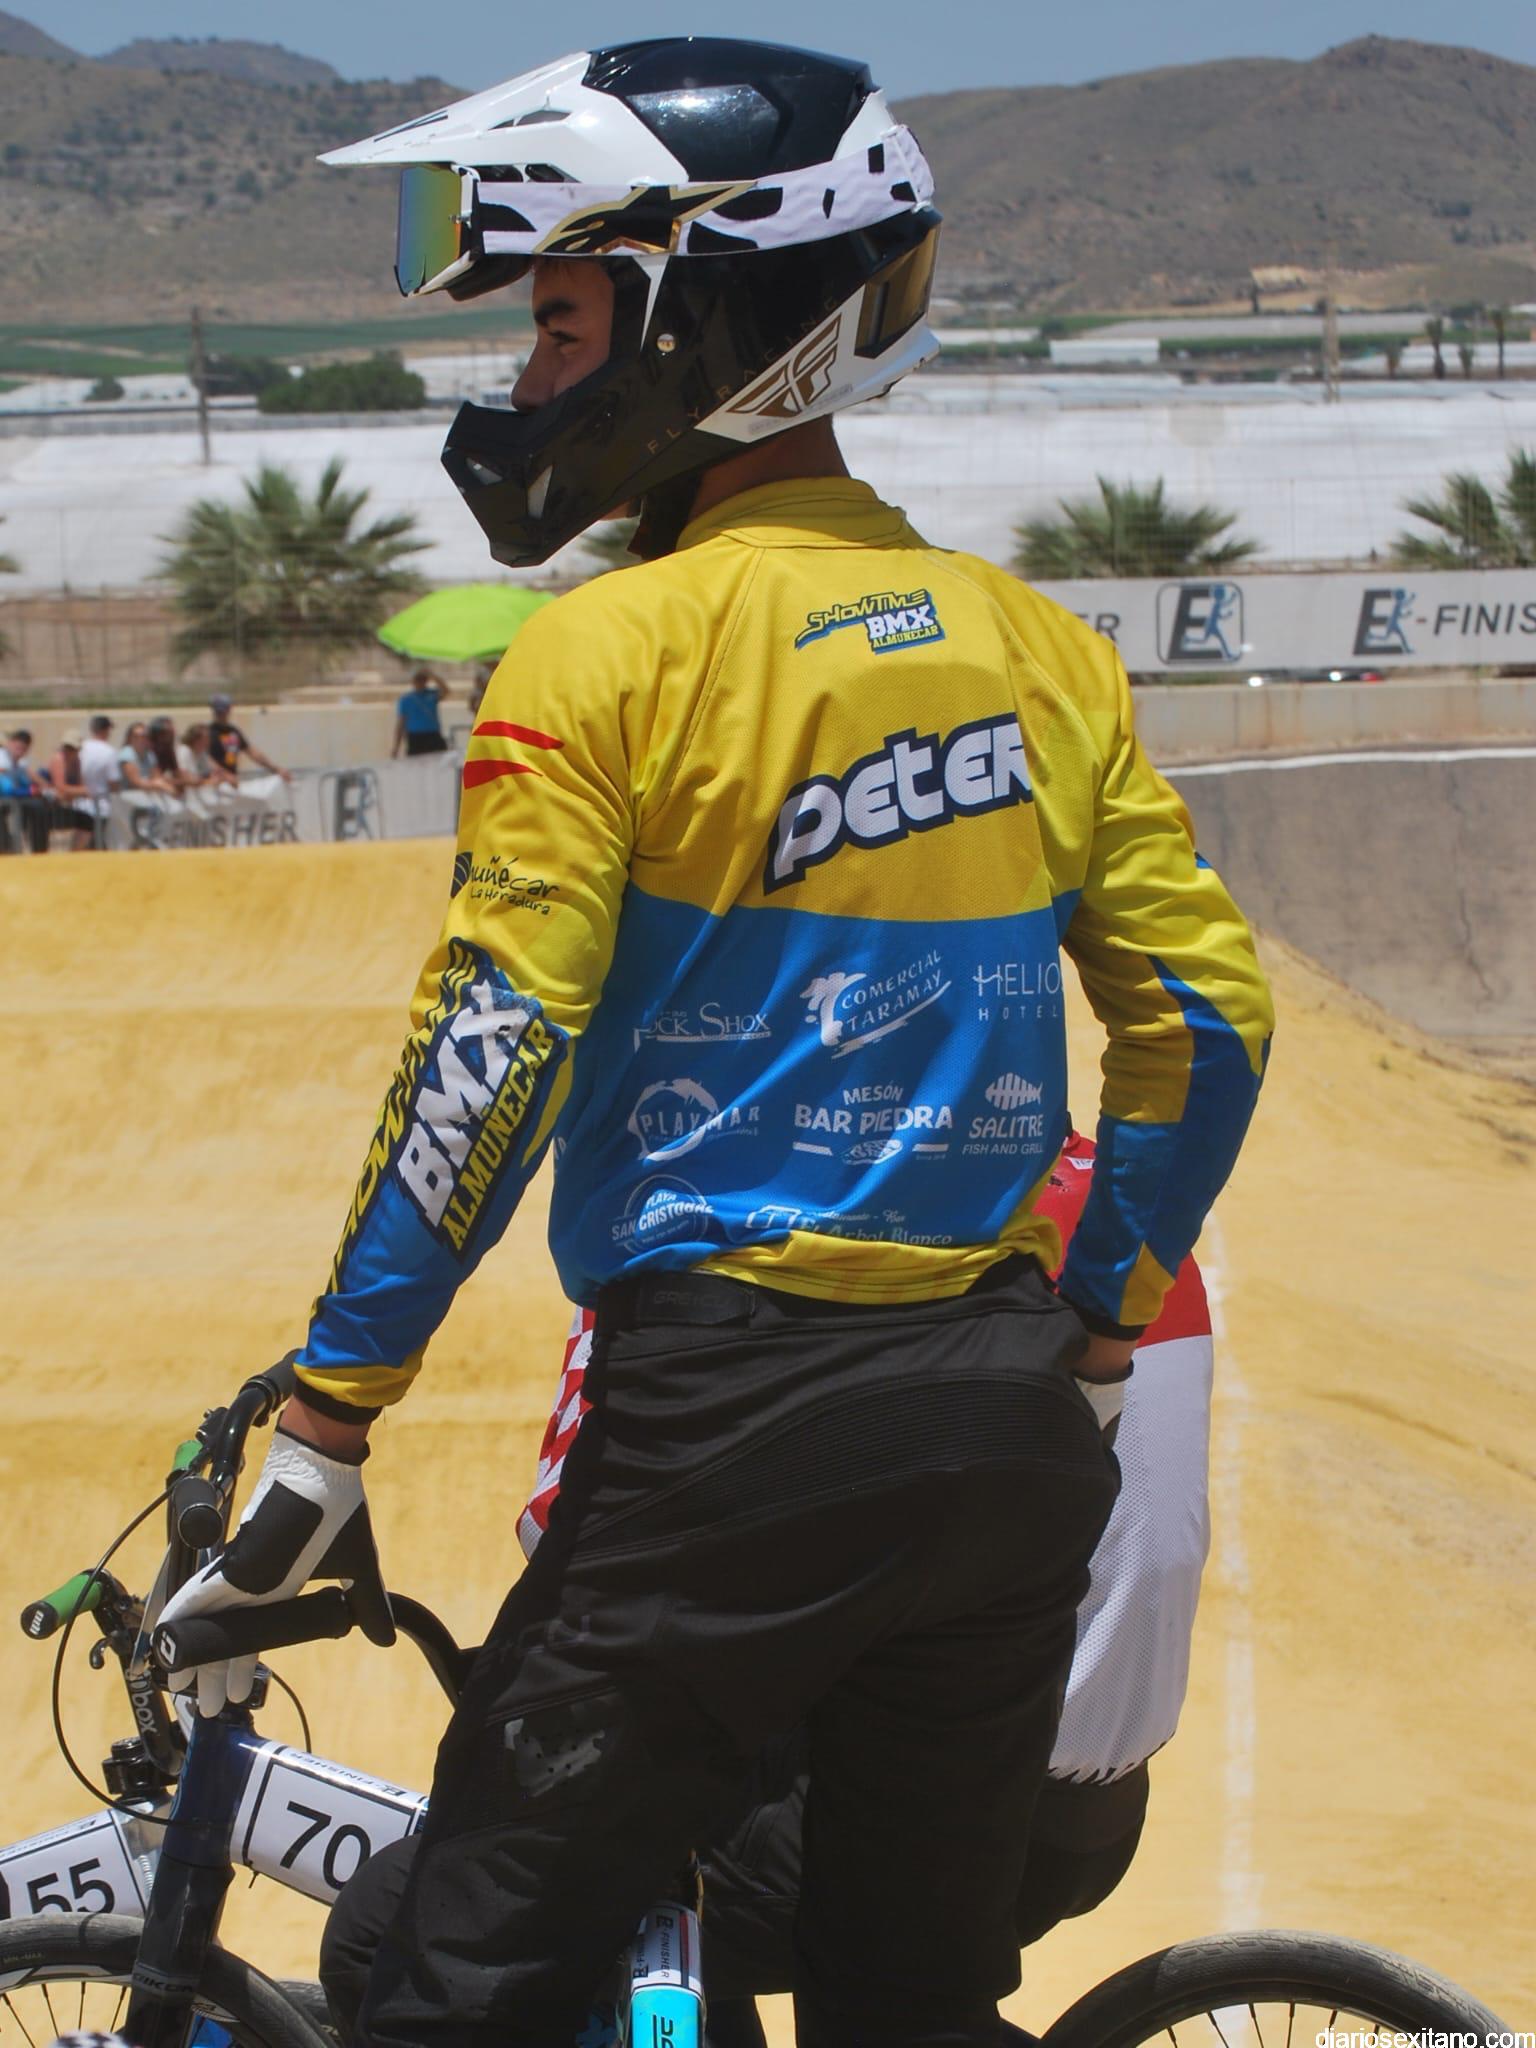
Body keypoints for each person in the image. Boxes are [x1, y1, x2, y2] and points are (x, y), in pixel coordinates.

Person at [159, 39, 1272, 2048]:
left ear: (704, 321)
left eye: (560, 323)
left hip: (724, 1428)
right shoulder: (1040, 649)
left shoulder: (605, 654)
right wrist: (1100, 1333)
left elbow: (491, 1053)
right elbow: (1208, 1015)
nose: (525, 380)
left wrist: (334, 1409)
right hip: (1002, 1434)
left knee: (437, 1977)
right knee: (903, 2011)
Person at [320, 1129, 1216, 2046]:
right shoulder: (1115, 1203)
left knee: (389, 1925)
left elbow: (579, 1542)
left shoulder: (778, 1216)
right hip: (1094, 1798)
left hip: (943, 1786)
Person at [207, 691, 290, 782]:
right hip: (215, 782)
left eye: (223, 710)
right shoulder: (208, 733)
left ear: (229, 710)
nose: (221, 715)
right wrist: (225, 775)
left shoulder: (234, 732)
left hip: (232, 782)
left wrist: (276, 769)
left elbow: (253, 753)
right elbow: (205, 759)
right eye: (218, 711)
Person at [43, 734, 98, 850]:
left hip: (66, 803)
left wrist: (79, 791)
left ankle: (75, 852)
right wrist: (83, 791)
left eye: (72, 748)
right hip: (50, 805)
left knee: (87, 822)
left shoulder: (76, 762)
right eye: (66, 747)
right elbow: (60, 787)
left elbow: (79, 784)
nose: (68, 751)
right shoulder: (58, 760)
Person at [0, 729, 52, 852]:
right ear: (10, 743)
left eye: (23, 749)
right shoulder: (2, 758)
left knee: (39, 806)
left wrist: (43, 787)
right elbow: (6, 787)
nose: (20, 751)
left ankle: (40, 850)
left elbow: (30, 779)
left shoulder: (20, 761)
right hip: (5, 798)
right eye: (17, 747)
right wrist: (29, 791)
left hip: (11, 799)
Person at [78, 714, 120, 838]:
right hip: (102, 807)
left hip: (81, 805)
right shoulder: (109, 752)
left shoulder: (81, 748)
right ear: (105, 730)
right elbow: (113, 782)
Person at [392, 668, 450, 757]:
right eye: (418, 679)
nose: (420, 682)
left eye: (423, 679)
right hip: (415, 737)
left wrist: (432, 675)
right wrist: (396, 747)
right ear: (413, 681)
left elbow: (446, 690)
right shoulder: (406, 699)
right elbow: (401, 723)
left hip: (433, 735)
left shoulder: (432, 694)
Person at [116, 720, 179, 799]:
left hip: (146, 795)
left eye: (144, 736)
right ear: (130, 738)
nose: (140, 739)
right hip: (128, 796)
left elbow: (157, 776)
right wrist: (159, 785)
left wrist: (163, 783)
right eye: (136, 736)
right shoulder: (126, 755)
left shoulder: (149, 754)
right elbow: (136, 783)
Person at [175, 722, 236, 791]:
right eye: (206, 738)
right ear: (196, 740)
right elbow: (185, 777)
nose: (209, 741)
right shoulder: (184, 751)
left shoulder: (201, 752)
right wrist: (209, 781)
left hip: (197, 791)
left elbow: (217, 769)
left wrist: (227, 776)